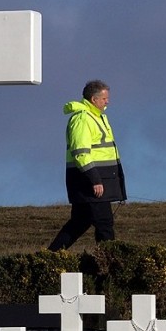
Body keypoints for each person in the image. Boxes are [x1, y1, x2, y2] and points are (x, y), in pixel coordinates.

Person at [48, 80, 126, 251]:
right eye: (104, 98)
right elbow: (80, 153)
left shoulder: (97, 117)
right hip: (90, 181)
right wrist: (95, 179)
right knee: (104, 223)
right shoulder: (83, 119)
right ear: (93, 99)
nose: (107, 102)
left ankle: (49, 257)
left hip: (93, 180)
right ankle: (108, 261)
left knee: (80, 222)